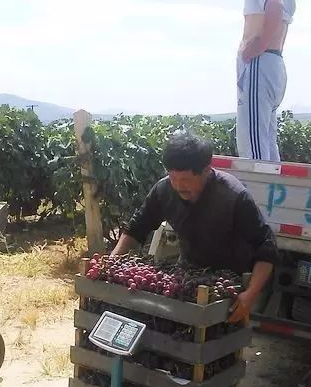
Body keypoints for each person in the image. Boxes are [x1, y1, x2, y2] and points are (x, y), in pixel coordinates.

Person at [111, 131, 277, 323]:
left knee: (216, 344)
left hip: (227, 286)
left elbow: (266, 247)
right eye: (173, 178)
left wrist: (249, 295)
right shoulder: (163, 190)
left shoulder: (234, 197)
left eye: (186, 180)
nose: (178, 186)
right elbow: (136, 228)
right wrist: (112, 263)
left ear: (206, 171)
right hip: (188, 276)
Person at [227, 0, 296, 162]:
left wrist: (257, 46)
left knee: (253, 147)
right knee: (265, 140)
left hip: (260, 63)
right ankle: (272, 196)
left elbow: (274, 4)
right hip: (271, 62)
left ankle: (258, 198)